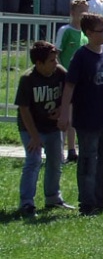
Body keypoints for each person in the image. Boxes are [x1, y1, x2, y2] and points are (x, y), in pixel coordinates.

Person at [58, 12, 103, 216]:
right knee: (88, 160)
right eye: (101, 30)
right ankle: (87, 203)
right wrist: (64, 113)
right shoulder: (81, 56)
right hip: (87, 118)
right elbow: (70, 86)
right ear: (88, 33)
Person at [16, 41, 71, 217]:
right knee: (33, 161)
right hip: (31, 127)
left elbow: (70, 91)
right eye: (52, 60)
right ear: (39, 63)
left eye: (56, 59)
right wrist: (34, 137)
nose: (56, 63)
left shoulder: (60, 72)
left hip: (52, 127)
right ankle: (26, 203)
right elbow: (24, 109)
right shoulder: (27, 79)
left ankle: (53, 197)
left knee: (56, 161)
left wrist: (61, 110)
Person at [54, 0, 89, 163]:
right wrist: (63, 73)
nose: (83, 15)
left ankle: (72, 149)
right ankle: (58, 150)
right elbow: (56, 54)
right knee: (64, 115)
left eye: (86, 11)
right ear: (72, 13)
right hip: (67, 79)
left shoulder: (85, 34)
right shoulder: (65, 31)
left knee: (74, 116)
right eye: (80, 11)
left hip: (80, 81)